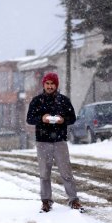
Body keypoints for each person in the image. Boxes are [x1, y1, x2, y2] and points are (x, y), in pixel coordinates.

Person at [26, 72, 82, 212]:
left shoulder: (63, 100)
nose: (50, 86)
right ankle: (46, 201)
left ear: (56, 85)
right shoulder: (37, 101)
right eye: (47, 84)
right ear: (43, 85)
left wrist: (63, 120)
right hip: (42, 141)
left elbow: (72, 118)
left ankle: (73, 200)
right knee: (44, 173)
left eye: (52, 84)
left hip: (59, 141)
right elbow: (29, 119)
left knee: (66, 172)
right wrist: (41, 118)